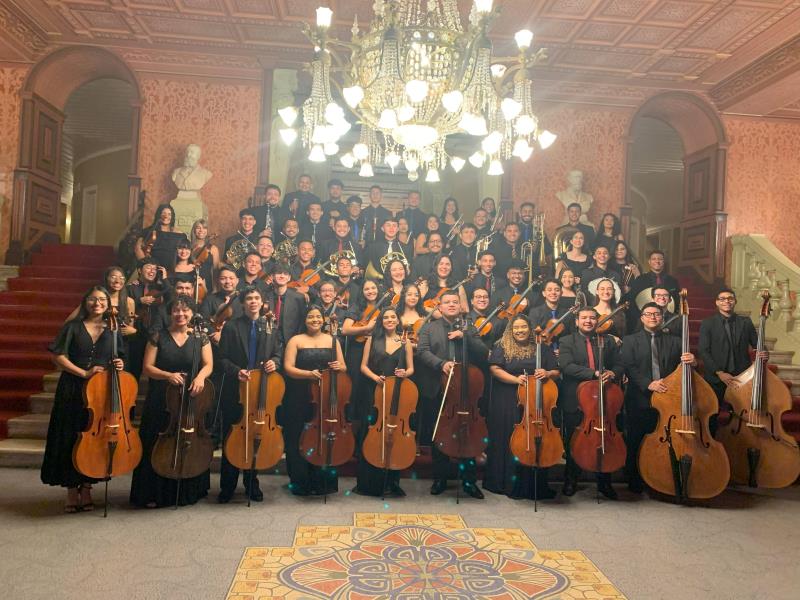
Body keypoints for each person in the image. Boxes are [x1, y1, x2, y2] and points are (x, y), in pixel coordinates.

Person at [42, 287, 125, 513]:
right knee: (70, 434)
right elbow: (58, 356)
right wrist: (83, 373)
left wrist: (119, 364)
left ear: (108, 304)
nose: (97, 303)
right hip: (73, 387)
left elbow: (120, 357)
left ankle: (87, 487)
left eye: (101, 300)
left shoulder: (113, 329)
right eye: (92, 299)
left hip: (100, 392)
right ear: (85, 302)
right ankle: (71, 490)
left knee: (92, 439)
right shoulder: (73, 327)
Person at [130, 295, 213, 508]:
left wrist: (201, 377)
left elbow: (208, 364)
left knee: (188, 440)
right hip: (162, 397)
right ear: (170, 313)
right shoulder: (158, 336)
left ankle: (187, 490)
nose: (181, 314)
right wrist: (168, 375)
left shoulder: (200, 337)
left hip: (189, 397)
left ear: (192, 313)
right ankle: (154, 492)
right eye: (176, 310)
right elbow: (148, 367)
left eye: (185, 310)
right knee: (156, 441)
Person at [416, 290, 488, 499]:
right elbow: (422, 352)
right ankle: (440, 478)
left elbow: (483, 353)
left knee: (468, 433)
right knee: (439, 434)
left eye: (455, 302)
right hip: (438, 388)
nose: (451, 305)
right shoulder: (429, 327)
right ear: (439, 306)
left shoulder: (469, 327)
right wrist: (442, 364)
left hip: (466, 391)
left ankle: (469, 481)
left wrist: (465, 336)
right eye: (446, 302)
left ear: (460, 306)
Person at [217, 286, 284, 503]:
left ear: (262, 302)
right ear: (243, 303)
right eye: (249, 298)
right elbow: (222, 359)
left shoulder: (271, 326)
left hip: (260, 390)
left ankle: (251, 484)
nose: (253, 301)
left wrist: (276, 362)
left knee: (256, 435)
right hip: (236, 390)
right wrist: (237, 371)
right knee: (232, 436)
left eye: (256, 298)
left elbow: (278, 352)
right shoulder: (231, 327)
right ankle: (227, 486)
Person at [621, 302, 695, 493]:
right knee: (637, 438)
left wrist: (693, 362)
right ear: (642, 318)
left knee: (665, 440)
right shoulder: (630, 340)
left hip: (668, 398)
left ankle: (660, 478)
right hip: (640, 397)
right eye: (648, 314)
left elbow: (684, 368)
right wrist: (648, 383)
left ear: (662, 317)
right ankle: (634, 480)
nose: (653, 317)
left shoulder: (676, 341)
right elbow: (629, 366)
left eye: (656, 314)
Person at [484, 315, 559, 500]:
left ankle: (532, 485)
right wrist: (516, 380)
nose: (520, 330)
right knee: (508, 438)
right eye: (516, 327)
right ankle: (507, 483)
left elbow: (556, 371)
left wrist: (547, 372)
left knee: (534, 438)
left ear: (530, 328)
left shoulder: (541, 347)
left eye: (523, 327)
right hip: (508, 398)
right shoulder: (502, 346)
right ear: (511, 329)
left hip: (535, 400)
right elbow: (494, 369)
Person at [558, 307, 624, 499]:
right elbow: (566, 366)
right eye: (584, 318)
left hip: (604, 398)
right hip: (576, 399)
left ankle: (605, 483)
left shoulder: (608, 341)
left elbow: (620, 364)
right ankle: (571, 480)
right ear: (577, 321)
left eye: (593, 318)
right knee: (574, 440)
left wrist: (613, 373)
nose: (588, 321)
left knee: (605, 439)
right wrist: (593, 374)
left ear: (598, 321)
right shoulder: (567, 341)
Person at [282, 305, 346, 495]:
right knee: (299, 436)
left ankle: (323, 482)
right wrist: (308, 374)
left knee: (324, 436)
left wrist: (338, 367)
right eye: (311, 317)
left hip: (325, 397)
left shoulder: (333, 340)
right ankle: (300, 482)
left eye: (318, 316)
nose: (315, 320)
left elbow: (344, 366)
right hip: (299, 395)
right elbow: (288, 368)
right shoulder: (296, 340)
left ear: (324, 319)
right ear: (305, 320)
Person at [354, 307, 415, 497]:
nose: (389, 320)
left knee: (394, 435)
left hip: (397, 392)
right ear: (382, 321)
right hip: (375, 392)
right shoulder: (372, 340)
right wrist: (375, 377)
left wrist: (405, 373)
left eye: (393, 317)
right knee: (370, 433)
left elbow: (411, 369)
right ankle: (368, 482)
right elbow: (363, 366)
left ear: (398, 321)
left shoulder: (405, 343)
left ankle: (392, 482)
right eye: (386, 317)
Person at [698, 288, 762, 408]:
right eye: (722, 299)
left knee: (741, 413)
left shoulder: (745, 322)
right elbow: (703, 351)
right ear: (717, 302)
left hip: (741, 377)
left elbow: (758, 345)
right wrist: (720, 373)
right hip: (716, 378)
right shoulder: (708, 323)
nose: (726, 301)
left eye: (730, 298)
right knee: (713, 414)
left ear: (735, 301)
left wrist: (764, 353)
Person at [128, 258, 167, 379]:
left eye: (155, 269)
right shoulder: (131, 288)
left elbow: (172, 297)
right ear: (139, 270)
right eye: (149, 267)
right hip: (136, 333)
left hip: (155, 333)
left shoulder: (160, 288)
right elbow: (122, 305)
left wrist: (165, 279)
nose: (152, 271)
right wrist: (138, 301)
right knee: (134, 368)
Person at [263, 262, 307, 345]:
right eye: (279, 273)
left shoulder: (299, 298)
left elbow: (303, 323)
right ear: (272, 276)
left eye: (285, 274)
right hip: (268, 340)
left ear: (289, 278)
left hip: (292, 341)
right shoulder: (265, 296)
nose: (282, 276)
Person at [528, 278, 574, 355]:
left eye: (557, 290)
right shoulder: (535, 312)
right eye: (549, 290)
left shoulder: (568, 313)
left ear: (561, 293)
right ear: (544, 293)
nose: (553, 292)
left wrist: (563, 350)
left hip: (563, 353)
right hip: (542, 353)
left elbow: (572, 336)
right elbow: (532, 336)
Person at [135, 203, 188, 269]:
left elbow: (185, 251)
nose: (166, 216)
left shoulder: (180, 234)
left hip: (172, 270)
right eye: (163, 213)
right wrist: (146, 266)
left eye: (169, 214)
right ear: (159, 215)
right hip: (153, 270)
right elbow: (137, 248)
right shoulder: (148, 231)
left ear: (172, 217)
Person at [190, 219, 220, 291]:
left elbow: (216, 271)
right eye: (198, 228)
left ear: (206, 231)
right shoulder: (188, 247)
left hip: (206, 284)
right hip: (190, 282)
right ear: (194, 230)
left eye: (204, 228)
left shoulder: (213, 249)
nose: (201, 230)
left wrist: (215, 288)